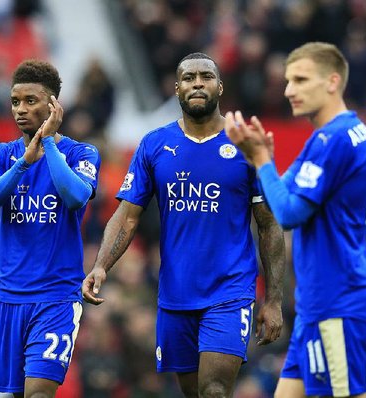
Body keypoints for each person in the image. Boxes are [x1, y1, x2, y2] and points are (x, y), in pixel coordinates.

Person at [82, 52, 286, 398]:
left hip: (229, 291)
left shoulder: (245, 144)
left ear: (220, 87)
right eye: (189, 77)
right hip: (176, 294)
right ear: (176, 88)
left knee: (215, 390)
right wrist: (101, 266)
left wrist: (274, 299)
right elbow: (127, 215)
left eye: (205, 76)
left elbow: (268, 225)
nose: (197, 83)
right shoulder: (154, 145)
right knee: (193, 393)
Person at [225, 42, 366, 398]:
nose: (288, 90)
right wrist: (259, 159)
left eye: (300, 79)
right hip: (317, 302)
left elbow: (290, 214)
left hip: (336, 299)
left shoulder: (335, 140)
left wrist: (263, 162)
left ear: (332, 81)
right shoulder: (330, 136)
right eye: (287, 80)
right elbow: (284, 192)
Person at [0, 60, 101, 397]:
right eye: (16, 101)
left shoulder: (80, 152)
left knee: (39, 394)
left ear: (53, 105)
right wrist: (22, 165)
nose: (20, 109)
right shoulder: (1, 154)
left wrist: (48, 145)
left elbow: (76, 198)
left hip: (56, 299)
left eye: (31, 101)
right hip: (9, 298)